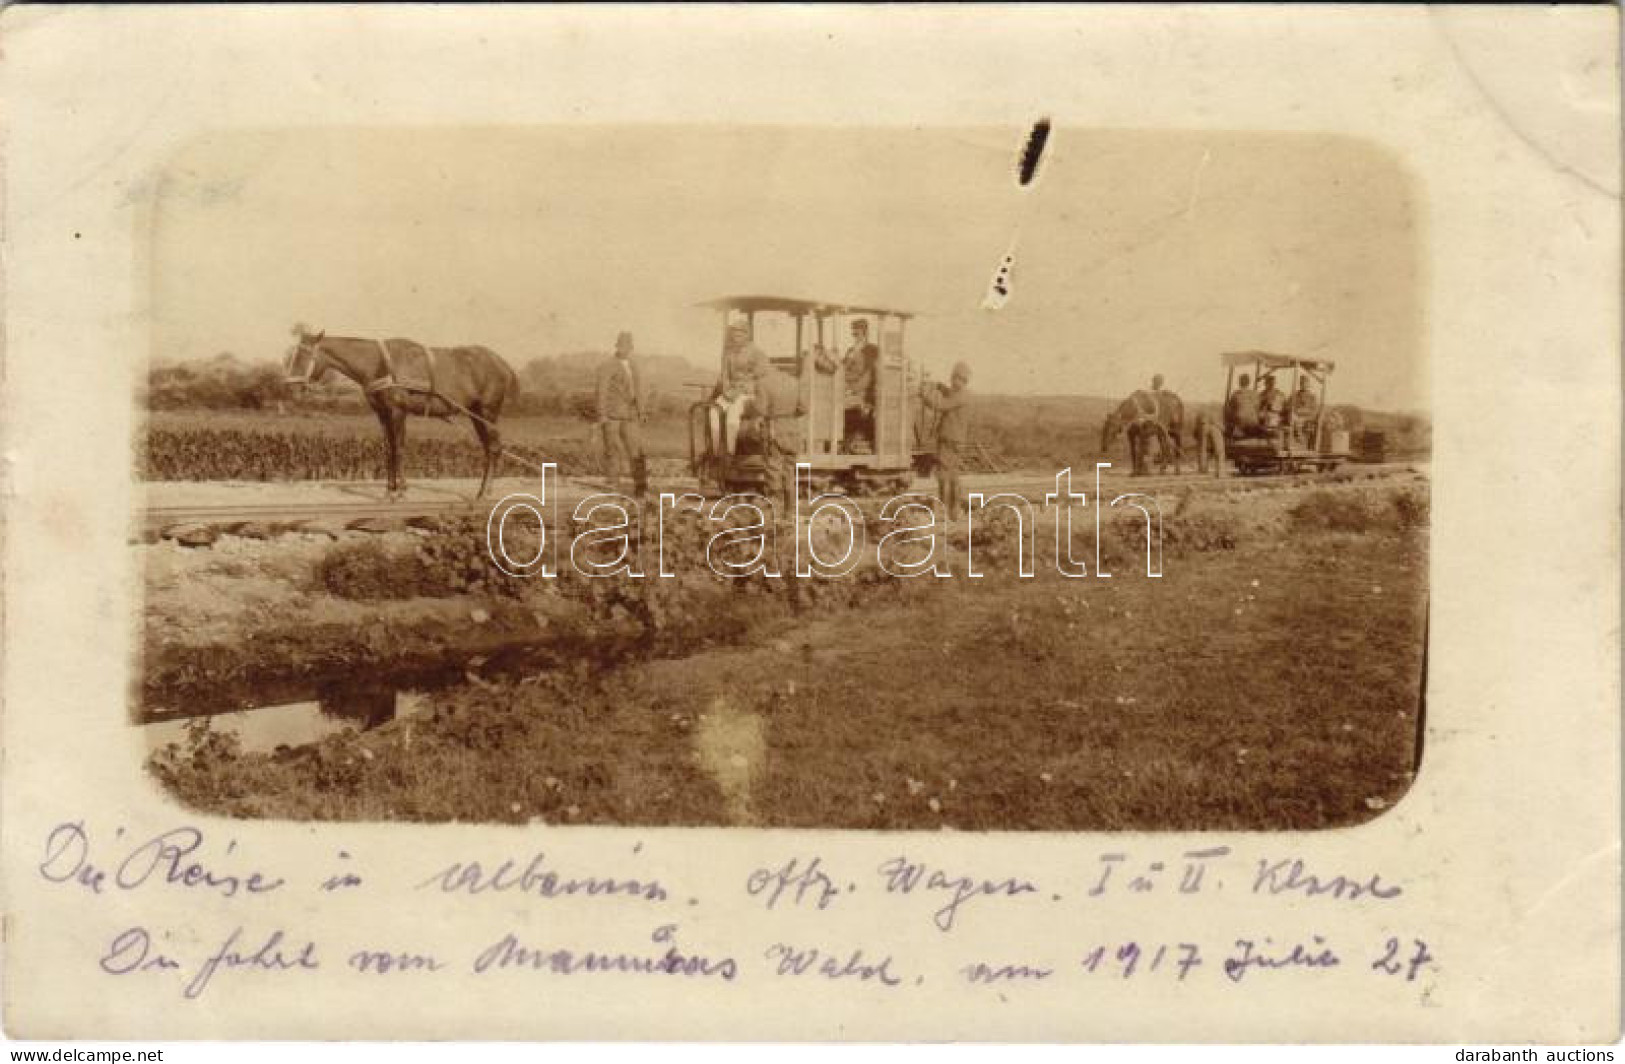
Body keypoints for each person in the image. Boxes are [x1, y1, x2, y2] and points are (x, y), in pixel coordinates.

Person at [595, 330, 647, 496]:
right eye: (622, 345)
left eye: (628, 346)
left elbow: (639, 390)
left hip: (631, 414)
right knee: (613, 450)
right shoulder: (607, 365)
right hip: (612, 415)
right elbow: (601, 391)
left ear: (631, 348)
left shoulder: (634, 365)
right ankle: (613, 484)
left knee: (636, 449)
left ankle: (641, 485)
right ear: (617, 346)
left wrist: (642, 411)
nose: (625, 349)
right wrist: (602, 414)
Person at [920, 361, 972, 520]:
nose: (952, 381)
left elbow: (941, 405)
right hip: (954, 440)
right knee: (952, 475)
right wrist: (938, 385)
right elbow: (948, 392)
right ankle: (954, 510)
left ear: (960, 379)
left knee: (944, 475)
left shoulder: (960, 396)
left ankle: (945, 510)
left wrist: (925, 395)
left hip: (950, 441)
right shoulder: (960, 393)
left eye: (955, 378)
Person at [711, 322, 771, 455]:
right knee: (714, 410)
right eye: (734, 335)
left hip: (748, 392)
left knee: (733, 412)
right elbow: (725, 374)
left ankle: (730, 452)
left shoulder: (757, 353)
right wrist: (726, 390)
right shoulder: (730, 354)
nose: (735, 338)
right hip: (731, 392)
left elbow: (761, 373)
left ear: (747, 335)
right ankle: (715, 452)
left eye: (739, 335)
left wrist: (741, 387)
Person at [842, 319, 880, 451]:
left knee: (844, 405)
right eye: (853, 334)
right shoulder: (850, 350)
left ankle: (851, 440)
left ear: (865, 333)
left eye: (858, 334)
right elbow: (843, 370)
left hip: (864, 393)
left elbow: (869, 376)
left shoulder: (872, 350)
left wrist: (852, 390)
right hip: (848, 390)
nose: (855, 337)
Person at [1223, 373, 1260, 438]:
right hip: (1253, 423)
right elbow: (1257, 408)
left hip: (1240, 423)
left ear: (1240, 383)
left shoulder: (1236, 394)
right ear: (1248, 383)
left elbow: (1230, 409)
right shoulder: (1255, 394)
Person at [1288, 377, 1320, 447]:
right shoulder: (1295, 395)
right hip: (1296, 417)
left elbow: (1314, 411)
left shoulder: (1312, 397)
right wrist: (1295, 411)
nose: (1303, 385)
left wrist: (1303, 414)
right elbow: (1289, 406)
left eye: (1305, 383)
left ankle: (1301, 442)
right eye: (1302, 383)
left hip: (1307, 418)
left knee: (1298, 421)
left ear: (1308, 385)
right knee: (1291, 417)